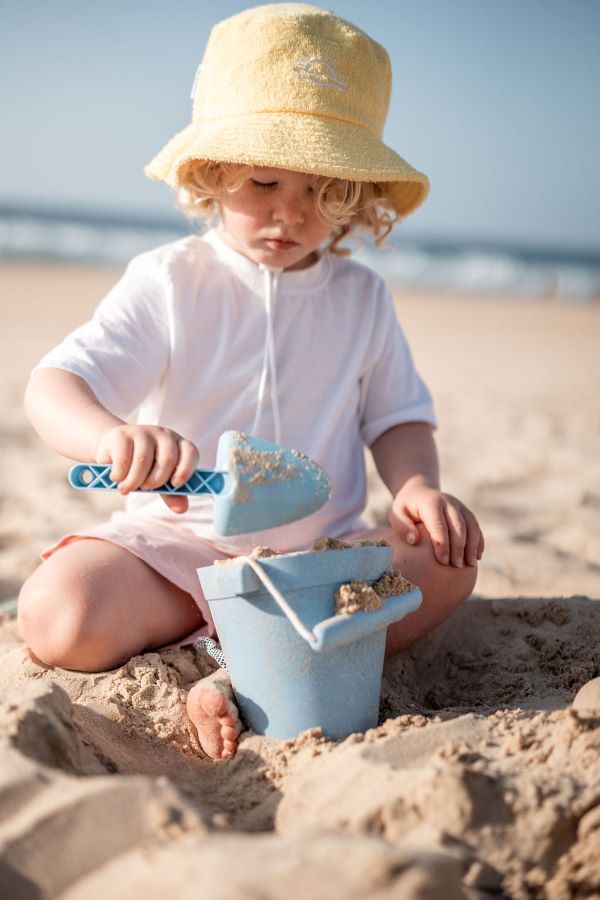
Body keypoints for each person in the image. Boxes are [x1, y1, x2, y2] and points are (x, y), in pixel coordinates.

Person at [18, 3, 484, 761]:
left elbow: (397, 416)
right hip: (176, 550)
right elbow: (55, 384)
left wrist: (416, 488)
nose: (289, 213)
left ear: (356, 191)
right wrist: (112, 436)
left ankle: (226, 670)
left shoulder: (362, 297)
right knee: (56, 614)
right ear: (213, 172)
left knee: (446, 562)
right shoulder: (171, 282)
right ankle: (253, 652)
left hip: (320, 559)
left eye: (321, 190)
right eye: (264, 180)